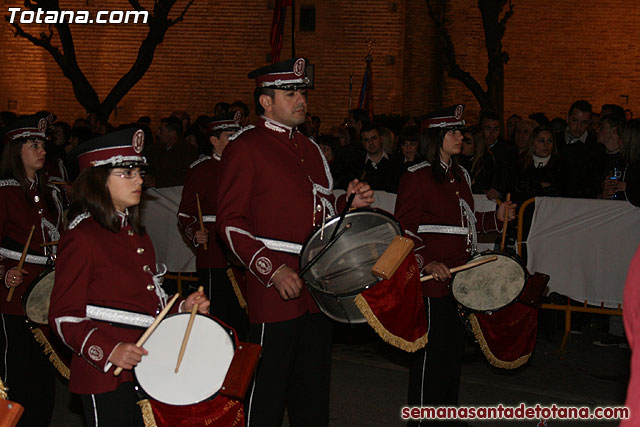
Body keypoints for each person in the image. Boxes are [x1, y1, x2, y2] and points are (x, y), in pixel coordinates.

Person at [216, 57, 374, 427]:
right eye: (290, 93)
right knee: (267, 390)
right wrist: (271, 270)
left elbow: (317, 211)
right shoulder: (247, 147)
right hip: (275, 287)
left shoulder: (312, 148)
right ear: (265, 102)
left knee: (313, 390)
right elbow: (230, 223)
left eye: (303, 91)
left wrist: (347, 201)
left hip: (318, 287)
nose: (301, 99)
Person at [49, 128, 209, 427]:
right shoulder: (82, 237)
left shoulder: (135, 233)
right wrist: (109, 350)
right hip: (103, 373)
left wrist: (181, 309)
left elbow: (144, 304)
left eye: (138, 171)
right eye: (127, 173)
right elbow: (62, 316)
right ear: (98, 181)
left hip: (145, 367)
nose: (139, 180)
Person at [394, 105, 515, 426]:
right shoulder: (416, 176)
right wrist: (427, 262)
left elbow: (468, 223)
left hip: (461, 282)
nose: (461, 137)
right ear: (436, 137)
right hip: (432, 282)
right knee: (428, 356)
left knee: (451, 355)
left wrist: (497, 218)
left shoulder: (459, 174)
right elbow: (404, 231)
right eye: (454, 132)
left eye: (461, 131)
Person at [0, 114, 65, 426]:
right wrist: (3, 274)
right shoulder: (4, 193)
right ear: (16, 149)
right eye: (34, 144)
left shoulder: (51, 193)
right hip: (12, 295)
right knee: (17, 372)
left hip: (48, 296)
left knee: (44, 376)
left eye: (43, 144)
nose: (42, 150)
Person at [178, 112, 248, 338]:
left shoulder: (246, 167)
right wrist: (194, 232)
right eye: (230, 136)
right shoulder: (201, 170)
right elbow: (185, 213)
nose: (235, 141)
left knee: (243, 311)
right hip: (214, 251)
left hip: (244, 249)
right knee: (217, 310)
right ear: (214, 140)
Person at [514, 125, 561, 202]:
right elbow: (518, 190)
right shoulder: (521, 163)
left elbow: (560, 190)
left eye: (549, 141)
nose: (546, 145)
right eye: (541, 141)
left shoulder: (561, 165)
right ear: (532, 142)